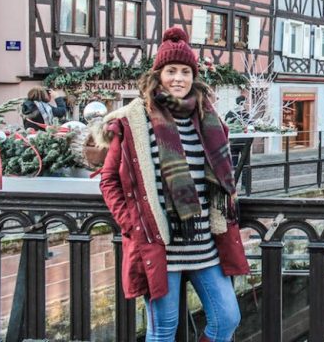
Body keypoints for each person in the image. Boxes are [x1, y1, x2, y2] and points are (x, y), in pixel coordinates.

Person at [95, 27, 248, 342]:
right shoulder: (134, 121)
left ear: (194, 76)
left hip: (204, 244)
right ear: (158, 76)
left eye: (185, 71)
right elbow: (109, 179)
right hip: (159, 245)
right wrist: (130, 222)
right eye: (171, 71)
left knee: (227, 319)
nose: (178, 78)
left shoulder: (209, 120)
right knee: (162, 331)